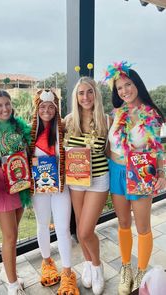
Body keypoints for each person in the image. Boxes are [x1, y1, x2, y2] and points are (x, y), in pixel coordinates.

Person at [105, 61, 166, 293]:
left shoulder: (151, 115)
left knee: (142, 227)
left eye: (128, 85)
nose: (124, 91)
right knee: (122, 223)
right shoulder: (116, 114)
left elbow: (157, 148)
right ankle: (126, 268)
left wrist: (161, 173)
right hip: (117, 172)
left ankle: (141, 271)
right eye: (119, 88)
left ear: (137, 84)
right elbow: (110, 146)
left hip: (140, 173)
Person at [0, 89, 31, 295]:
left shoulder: (19, 126)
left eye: (7, 104)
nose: (5, 109)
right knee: (10, 237)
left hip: (19, 183)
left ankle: (5, 270)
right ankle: (12, 285)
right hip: (0, 186)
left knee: (13, 233)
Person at [30, 89, 80, 295]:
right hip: (39, 188)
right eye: (43, 107)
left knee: (62, 229)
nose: (47, 110)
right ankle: (47, 262)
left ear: (57, 108)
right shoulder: (29, 132)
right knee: (42, 225)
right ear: (37, 109)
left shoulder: (65, 128)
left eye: (51, 107)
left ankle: (68, 273)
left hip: (61, 187)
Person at [63, 76, 110, 295]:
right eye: (81, 93)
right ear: (76, 97)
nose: (85, 97)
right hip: (76, 181)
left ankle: (98, 267)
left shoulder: (106, 120)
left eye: (89, 92)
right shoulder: (69, 120)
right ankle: (88, 264)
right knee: (81, 232)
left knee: (85, 229)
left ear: (95, 94)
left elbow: (111, 152)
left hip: (99, 179)